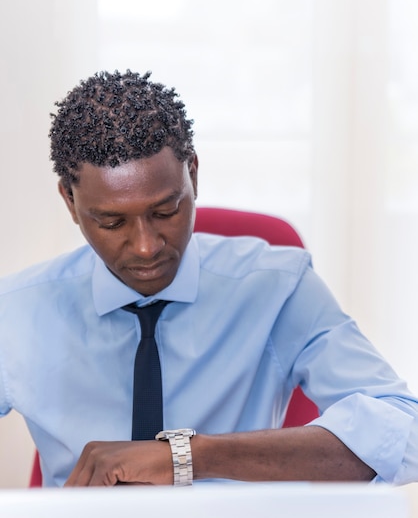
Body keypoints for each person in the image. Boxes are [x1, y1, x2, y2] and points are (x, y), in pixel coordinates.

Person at [0, 70, 417, 488]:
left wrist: (190, 455)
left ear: (193, 175)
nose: (146, 246)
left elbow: (408, 433)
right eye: (111, 222)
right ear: (70, 202)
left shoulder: (278, 288)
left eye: (165, 211)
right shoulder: (17, 312)